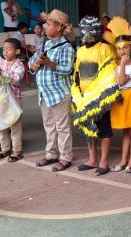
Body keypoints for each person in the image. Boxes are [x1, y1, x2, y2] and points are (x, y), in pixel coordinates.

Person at [71, 16, 120, 176]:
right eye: (84, 29)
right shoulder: (80, 50)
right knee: (88, 128)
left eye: (91, 30)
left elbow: (109, 72)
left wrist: (97, 94)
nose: (87, 33)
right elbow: (77, 73)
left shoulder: (105, 49)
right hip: (83, 99)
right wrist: (77, 92)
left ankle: (104, 162)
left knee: (104, 129)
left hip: (99, 100)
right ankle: (92, 159)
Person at [30, 10, 75, 172]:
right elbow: (32, 61)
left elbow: (67, 69)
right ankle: (51, 153)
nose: (44, 26)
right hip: (44, 93)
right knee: (49, 124)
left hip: (59, 93)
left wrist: (48, 63)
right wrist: (34, 65)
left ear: (58, 27)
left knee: (62, 126)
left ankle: (65, 156)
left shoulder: (66, 47)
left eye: (48, 24)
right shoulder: (45, 43)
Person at [109, 34, 131, 174]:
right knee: (124, 131)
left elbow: (122, 81)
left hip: (130, 97)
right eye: (119, 48)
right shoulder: (113, 64)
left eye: (125, 47)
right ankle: (123, 160)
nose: (122, 51)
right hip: (119, 98)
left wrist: (122, 65)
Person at [0, 38, 26, 162]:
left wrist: (1, 72)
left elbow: (16, 79)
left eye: (9, 49)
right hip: (1, 99)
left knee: (15, 125)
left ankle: (17, 151)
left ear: (17, 51)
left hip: (13, 99)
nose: (5, 52)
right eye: (3, 49)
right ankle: (5, 148)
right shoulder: (1, 63)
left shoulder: (19, 64)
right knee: (1, 125)